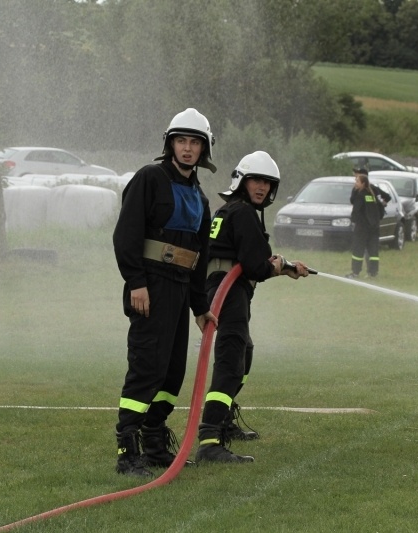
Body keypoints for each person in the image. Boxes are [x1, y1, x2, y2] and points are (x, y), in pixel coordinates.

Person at [112, 108, 218, 477]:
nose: (187, 148)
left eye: (194, 143)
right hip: (150, 287)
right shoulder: (150, 178)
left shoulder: (200, 198)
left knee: (172, 374)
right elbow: (126, 235)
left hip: (179, 290)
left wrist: (200, 306)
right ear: (170, 144)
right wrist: (136, 283)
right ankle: (127, 450)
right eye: (181, 141)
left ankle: (155, 445)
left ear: (204, 149)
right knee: (147, 367)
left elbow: (199, 258)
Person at [196, 151, 309, 464]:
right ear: (241, 181)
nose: (262, 187)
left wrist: (284, 268)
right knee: (231, 361)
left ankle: (223, 421)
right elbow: (255, 266)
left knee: (243, 353)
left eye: (267, 182)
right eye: (256, 180)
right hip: (229, 291)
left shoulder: (231, 210)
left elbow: (249, 261)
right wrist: (276, 267)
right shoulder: (243, 212)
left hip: (223, 287)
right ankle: (209, 441)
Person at [347, 167, 390, 279]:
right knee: (373, 251)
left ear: (363, 183)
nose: (355, 182)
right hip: (374, 227)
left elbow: (356, 211)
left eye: (357, 180)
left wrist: (354, 222)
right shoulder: (373, 194)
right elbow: (380, 207)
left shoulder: (360, 195)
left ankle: (355, 272)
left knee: (358, 251)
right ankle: (373, 273)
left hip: (362, 228)